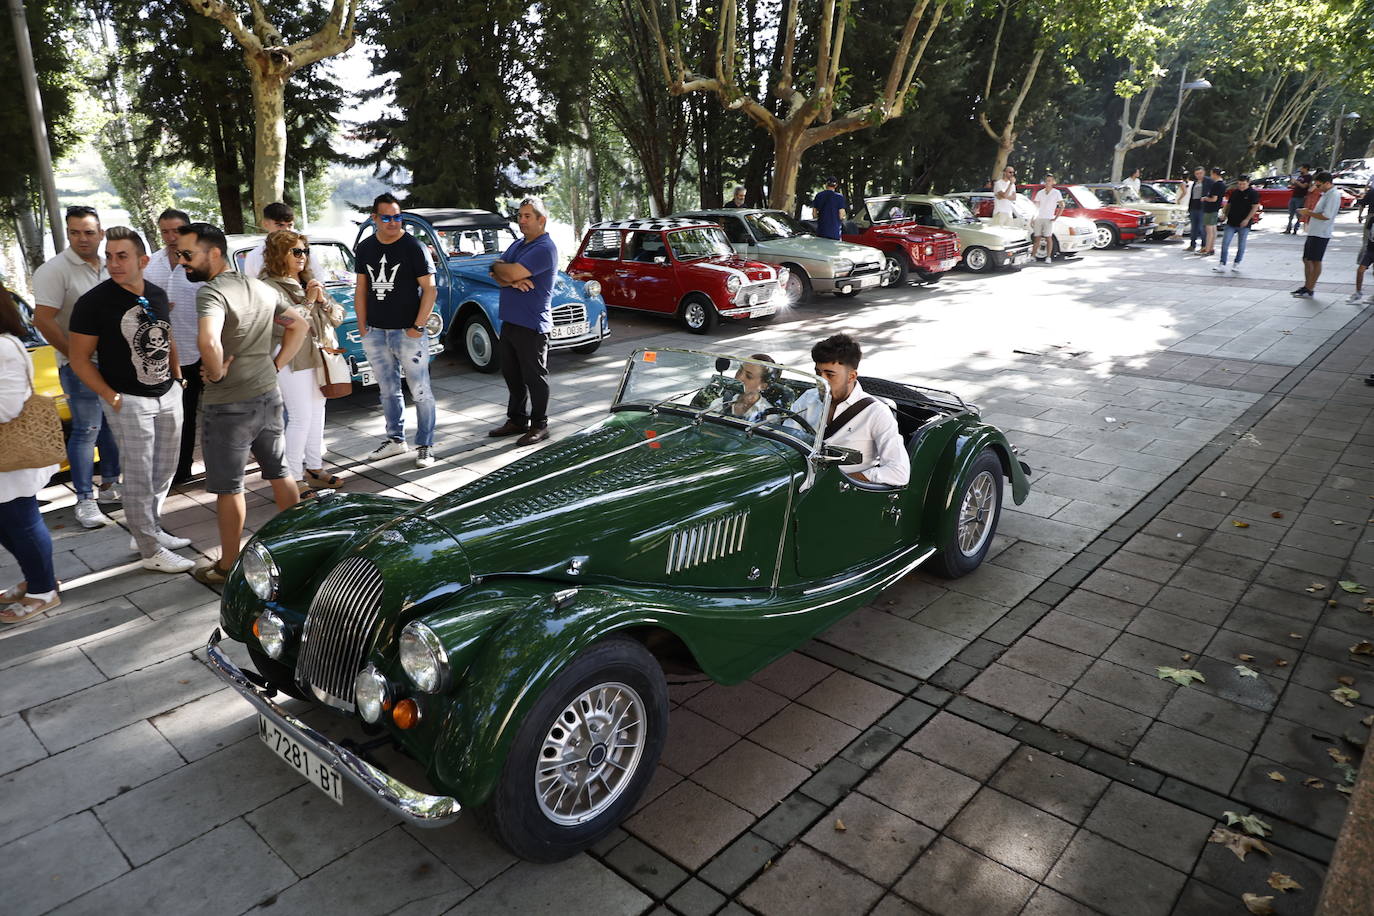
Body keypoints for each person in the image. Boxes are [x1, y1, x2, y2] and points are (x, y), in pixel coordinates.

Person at [183, 222, 307, 585]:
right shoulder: (261, 288)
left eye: (188, 254)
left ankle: (227, 566)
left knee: (229, 487)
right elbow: (298, 325)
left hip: (229, 405)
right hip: (268, 394)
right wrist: (275, 364)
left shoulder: (210, 294)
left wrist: (216, 371)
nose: (183, 261)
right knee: (280, 471)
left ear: (214, 253)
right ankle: (299, 545)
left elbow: (208, 340)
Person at [67, 228, 194, 574]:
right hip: (128, 400)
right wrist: (111, 397)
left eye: (121, 256)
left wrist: (178, 378)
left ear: (142, 261)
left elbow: (167, 338)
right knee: (138, 477)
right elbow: (79, 359)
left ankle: (148, 530)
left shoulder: (154, 292)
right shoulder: (93, 303)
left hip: (168, 393)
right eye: (109, 256)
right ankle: (150, 549)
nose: (113, 263)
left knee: (165, 469)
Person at [31, 205, 121, 528]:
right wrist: (75, 356)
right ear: (68, 233)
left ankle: (110, 484)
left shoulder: (112, 263)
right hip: (77, 365)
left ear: (101, 232)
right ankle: (85, 500)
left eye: (89, 232)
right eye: (75, 232)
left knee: (111, 425)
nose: (82, 238)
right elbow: (42, 319)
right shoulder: (54, 270)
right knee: (87, 430)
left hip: (113, 362)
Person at [353, 193, 439, 467]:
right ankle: (396, 440)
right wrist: (362, 326)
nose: (393, 222)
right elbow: (361, 288)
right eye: (387, 217)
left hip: (408, 331)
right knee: (388, 390)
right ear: (374, 218)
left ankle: (425, 444)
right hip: (376, 331)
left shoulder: (413, 246)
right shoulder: (365, 248)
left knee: (420, 389)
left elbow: (430, 289)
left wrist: (418, 326)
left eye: (398, 216)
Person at [259, 230, 345, 493]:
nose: (302, 257)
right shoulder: (268, 286)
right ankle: (293, 477)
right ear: (278, 255)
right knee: (300, 417)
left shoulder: (309, 279)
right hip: (290, 358)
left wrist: (323, 301)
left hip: (318, 355)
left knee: (318, 412)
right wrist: (309, 301)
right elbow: (284, 323)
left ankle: (314, 467)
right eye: (296, 251)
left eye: (305, 251)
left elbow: (339, 315)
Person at [0, 288, 61, 624]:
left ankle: (43, 590)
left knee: (21, 521)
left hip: (11, 458)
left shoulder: (3, 347)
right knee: (6, 523)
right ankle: (37, 577)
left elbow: (7, 407)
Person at [792, 334, 908, 486]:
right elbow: (788, 441)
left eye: (830, 375)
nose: (821, 381)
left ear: (851, 376)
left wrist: (840, 481)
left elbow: (899, 472)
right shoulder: (808, 398)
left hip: (845, 494)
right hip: (799, 483)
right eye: (818, 373)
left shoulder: (877, 413)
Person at [488, 197, 558, 447]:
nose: (522, 220)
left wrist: (509, 274)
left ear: (542, 220)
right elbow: (493, 269)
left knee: (535, 377)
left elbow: (506, 270)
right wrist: (512, 280)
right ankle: (517, 420)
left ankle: (539, 425)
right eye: (520, 216)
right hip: (510, 321)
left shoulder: (544, 248)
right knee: (512, 375)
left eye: (528, 216)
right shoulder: (518, 245)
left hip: (532, 324)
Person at [144, 208, 205, 484]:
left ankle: (217, 464)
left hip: (200, 349)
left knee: (210, 412)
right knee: (175, 415)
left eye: (176, 231)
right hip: (163, 355)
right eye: (165, 231)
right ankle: (178, 470)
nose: (170, 237)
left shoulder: (200, 262)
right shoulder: (151, 263)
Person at [242, 202, 323, 279]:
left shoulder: (304, 251)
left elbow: (318, 279)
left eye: (290, 225)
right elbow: (253, 288)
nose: (286, 229)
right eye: (280, 225)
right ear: (265, 224)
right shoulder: (255, 256)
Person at [1293, 171, 1340, 298]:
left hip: (1322, 233)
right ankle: (1307, 286)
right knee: (1306, 259)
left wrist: (1308, 212)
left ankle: (1310, 288)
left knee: (1315, 261)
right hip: (1314, 231)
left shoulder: (1333, 195)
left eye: (1319, 186)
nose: (1317, 188)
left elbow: (1326, 216)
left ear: (1328, 183)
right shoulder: (1326, 194)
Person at [1214, 175, 1260, 274]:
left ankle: (1237, 263)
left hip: (1244, 223)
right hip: (1231, 222)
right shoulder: (1235, 192)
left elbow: (1255, 207)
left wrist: (1247, 219)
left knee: (1241, 244)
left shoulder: (1253, 193)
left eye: (1243, 184)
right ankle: (1222, 263)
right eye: (1239, 184)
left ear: (1248, 183)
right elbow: (1229, 205)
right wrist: (1224, 215)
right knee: (1225, 243)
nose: (1241, 186)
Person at [713, 354, 778, 422]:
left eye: (749, 376)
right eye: (740, 370)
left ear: (763, 386)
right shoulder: (718, 405)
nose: (740, 377)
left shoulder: (769, 417)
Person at [1031, 174, 1063, 262]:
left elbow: (1062, 205)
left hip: (1048, 218)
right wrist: (1033, 217)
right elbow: (1036, 206)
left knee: (1048, 238)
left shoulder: (1056, 193)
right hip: (1039, 217)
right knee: (1037, 237)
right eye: (1046, 180)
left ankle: (1048, 257)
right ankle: (1033, 256)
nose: (1048, 182)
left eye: (1050, 180)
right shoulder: (1040, 192)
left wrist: (1056, 217)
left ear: (1053, 182)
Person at [1200, 167, 1224, 255]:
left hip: (1210, 209)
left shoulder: (1216, 185)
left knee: (1209, 230)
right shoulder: (1222, 184)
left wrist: (1205, 198)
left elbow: (1214, 199)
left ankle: (1207, 248)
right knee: (1213, 229)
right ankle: (1211, 247)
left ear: (1214, 174)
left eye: (1211, 174)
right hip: (1216, 209)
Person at [1350, 209, 1373, 303]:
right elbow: (1368, 234)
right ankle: (1358, 292)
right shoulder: (1372, 219)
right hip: (1370, 250)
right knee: (1360, 270)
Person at [1183, 166, 1207, 252]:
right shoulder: (1195, 183)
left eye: (1200, 173)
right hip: (1194, 207)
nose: (1199, 175)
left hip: (1202, 208)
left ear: (1204, 173)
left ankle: (1204, 246)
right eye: (1197, 174)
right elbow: (1192, 196)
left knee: (1202, 228)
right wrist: (1189, 207)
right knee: (1194, 228)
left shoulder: (1207, 182)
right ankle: (1192, 245)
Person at [1286, 165, 1313, 233]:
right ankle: (1288, 228)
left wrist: (1296, 182)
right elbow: (1296, 185)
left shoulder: (1308, 177)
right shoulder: (1300, 176)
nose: (1300, 170)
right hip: (1294, 196)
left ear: (1306, 169)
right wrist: (1292, 183)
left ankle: (1296, 228)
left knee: (1299, 214)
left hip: (1301, 197)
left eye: (1302, 168)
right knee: (1291, 213)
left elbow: (1304, 186)